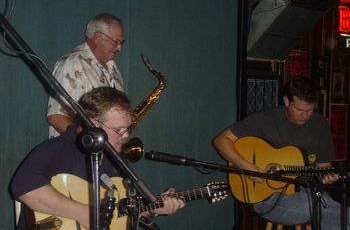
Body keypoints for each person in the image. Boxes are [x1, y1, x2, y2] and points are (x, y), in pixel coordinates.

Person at [11, 87, 185, 230]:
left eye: (128, 129)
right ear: (92, 123)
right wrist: (83, 212)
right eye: (119, 130)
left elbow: (125, 210)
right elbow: (22, 187)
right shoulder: (58, 148)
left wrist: (155, 208)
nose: (125, 136)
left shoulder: (117, 159)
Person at [213, 76, 348, 230]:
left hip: (308, 191)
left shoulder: (320, 124)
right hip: (265, 196)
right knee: (320, 206)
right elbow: (221, 141)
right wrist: (247, 167)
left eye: (310, 110)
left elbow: (324, 168)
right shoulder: (264, 120)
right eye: (299, 109)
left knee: (327, 206)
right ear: (286, 101)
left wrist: (326, 178)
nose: (304, 116)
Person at [47, 13, 125, 138]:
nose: (119, 48)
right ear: (98, 37)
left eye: (121, 42)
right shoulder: (72, 63)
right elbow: (56, 117)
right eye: (115, 42)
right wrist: (92, 142)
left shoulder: (113, 67)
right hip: (77, 152)